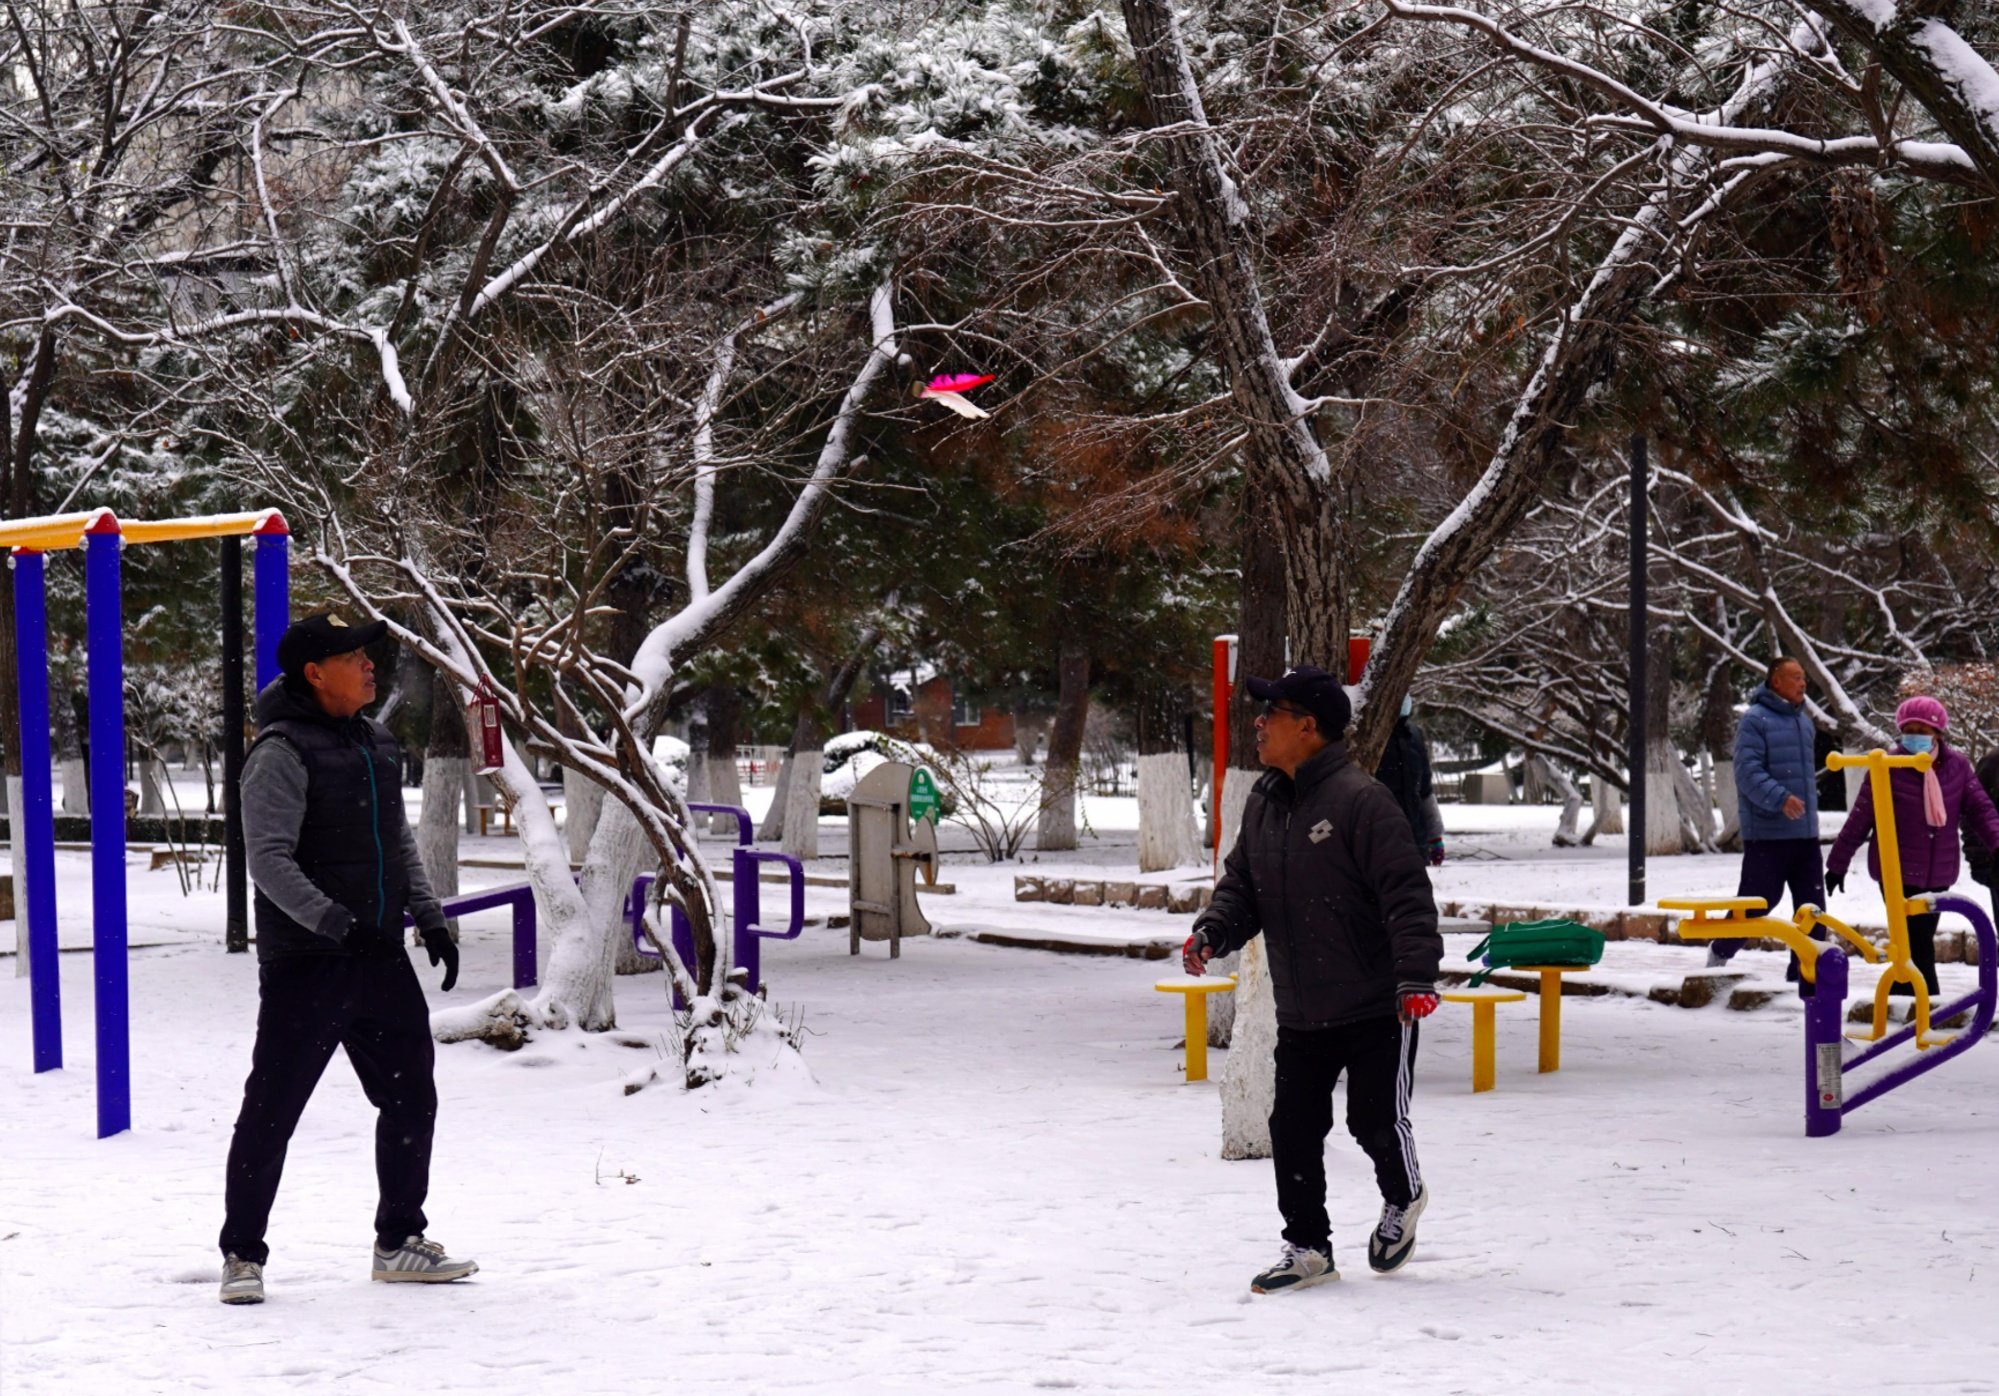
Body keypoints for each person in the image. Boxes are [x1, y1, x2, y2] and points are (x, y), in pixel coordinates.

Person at [217, 613, 477, 1305]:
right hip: (310, 961)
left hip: (379, 958)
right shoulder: (279, 751)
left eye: (368, 657)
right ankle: (242, 1254)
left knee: (410, 1097)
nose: (369, 667)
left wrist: (430, 919)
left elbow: (396, 843)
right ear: (314, 673)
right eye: (353, 658)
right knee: (272, 1109)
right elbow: (266, 861)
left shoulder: (376, 742)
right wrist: (337, 924)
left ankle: (398, 1241)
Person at [1181, 665, 1443, 1294]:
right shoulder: (1266, 799)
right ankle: (1308, 1247)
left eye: (1272, 714)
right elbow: (1243, 883)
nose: (1259, 724)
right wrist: (1214, 931)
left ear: (1309, 727)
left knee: (1375, 1122)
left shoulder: (1362, 801)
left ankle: (1403, 1195)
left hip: (1378, 1001)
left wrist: (1415, 975)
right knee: (1292, 1128)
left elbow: (1406, 895)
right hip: (1302, 1004)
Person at [1827, 695, 1999, 998]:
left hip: (1939, 872)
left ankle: (1906, 1007)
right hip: (1898, 872)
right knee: (1915, 943)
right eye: (1910, 729)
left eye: (1924, 730)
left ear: (1938, 733)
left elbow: (1981, 810)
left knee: (1916, 942)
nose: (1916, 736)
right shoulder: (1887, 766)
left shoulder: (1956, 766)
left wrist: (1997, 844)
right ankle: (1923, 1009)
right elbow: (1860, 819)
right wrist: (1837, 865)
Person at [1708, 657, 1826, 983]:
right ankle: (1719, 953)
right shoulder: (1755, 721)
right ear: (1776, 681)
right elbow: (1747, 774)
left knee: (1813, 909)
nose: (1803, 683)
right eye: (1796, 677)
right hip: (1768, 836)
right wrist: (1780, 799)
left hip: (1805, 835)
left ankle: (1806, 976)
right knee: (1757, 903)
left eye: (1804, 677)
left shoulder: (1804, 723)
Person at [1375, 695, 1446, 867]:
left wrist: (1434, 836)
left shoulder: (1414, 735)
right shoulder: (1370, 736)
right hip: (1378, 840)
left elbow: (1425, 791)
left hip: (1415, 839)